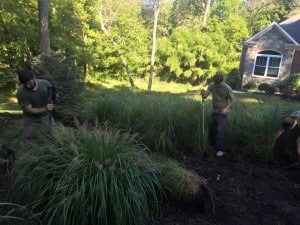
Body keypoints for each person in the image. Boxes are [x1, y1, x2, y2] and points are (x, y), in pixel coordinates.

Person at [201, 74, 236, 157]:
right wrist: (203, 94)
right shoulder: (212, 85)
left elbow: (234, 100)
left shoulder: (227, 88)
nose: (217, 85)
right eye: (216, 83)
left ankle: (220, 150)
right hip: (215, 112)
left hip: (222, 112)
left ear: (222, 82)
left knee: (220, 131)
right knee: (212, 129)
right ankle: (212, 146)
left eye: (218, 84)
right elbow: (205, 95)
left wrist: (226, 109)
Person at [16, 69, 54, 140]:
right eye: (25, 84)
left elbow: (52, 96)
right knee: (27, 139)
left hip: (46, 117)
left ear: (34, 78)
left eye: (29, 83)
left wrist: (54, 98)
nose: (28, 86)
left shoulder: (45, 83)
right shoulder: (21, 92)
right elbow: (30, 110)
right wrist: (46, 108)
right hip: (31, 119)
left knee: (52, 136)